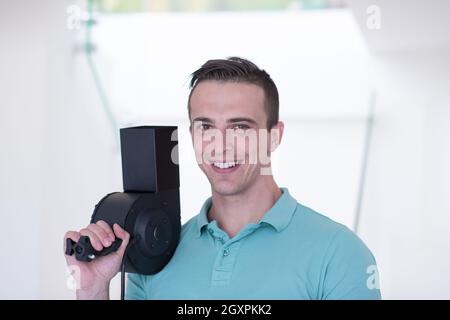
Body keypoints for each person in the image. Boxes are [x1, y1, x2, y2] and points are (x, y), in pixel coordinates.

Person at [64, 57, 381, 300]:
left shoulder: (340, 254)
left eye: (240, 127)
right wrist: (93, 290)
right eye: (206, 127)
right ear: (191, 135)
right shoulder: (155, 257)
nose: (220, 145)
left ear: (274, 136)